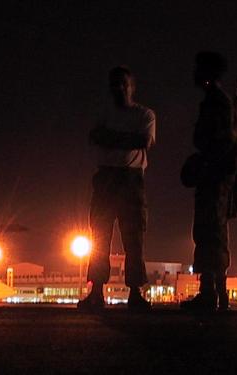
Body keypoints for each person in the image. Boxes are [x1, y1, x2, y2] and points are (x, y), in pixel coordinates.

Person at [77, 66, 156, 312]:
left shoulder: (145, 114)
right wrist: (126, 139)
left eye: (123, 83)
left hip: (130, 179)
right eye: (115, 84)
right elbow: (98, 137)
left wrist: (110, 138)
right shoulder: (108, 114)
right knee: (100, 236)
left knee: (134, 238)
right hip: (108, 178)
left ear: (132, 86)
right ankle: (97, 291)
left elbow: (143, 141)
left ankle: (134, 292)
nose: (119, 88)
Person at [180, 51, 237, 312]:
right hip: (216, 173)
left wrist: (205, 165)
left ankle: (210, 294)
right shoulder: (216, 100)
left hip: (215, 175)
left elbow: (221, 141)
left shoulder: (217, 102)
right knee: (213, 231)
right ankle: (217, 293)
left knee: (209, 231)